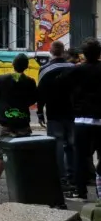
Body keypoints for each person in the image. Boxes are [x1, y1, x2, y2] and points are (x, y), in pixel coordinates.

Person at [0, 54, 38, 193]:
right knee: (23, 153)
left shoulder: (2, 79)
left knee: (0, 153)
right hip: (23, 122)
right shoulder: (30, 81)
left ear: (13, 64)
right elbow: (34, 98)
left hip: (6, 123)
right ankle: (24, 183)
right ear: (26, 66)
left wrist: (0, 99)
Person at [56, 39, 101, 200]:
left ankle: (80, 192)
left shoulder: (77, 70)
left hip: (82, 119)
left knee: (80, 157)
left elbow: (60, 81)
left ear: (83, 54)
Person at [37, 42, 76, 189]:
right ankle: (73, 176)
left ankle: (61, 177)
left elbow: (40, 93)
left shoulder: (45, 69)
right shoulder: (73, 68)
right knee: (72, 145)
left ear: (51, 52)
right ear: (63, 51)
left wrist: (40, 112)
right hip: (72, 112)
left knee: (57, 145)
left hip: (54, 112)